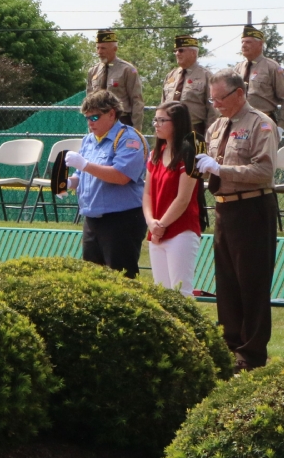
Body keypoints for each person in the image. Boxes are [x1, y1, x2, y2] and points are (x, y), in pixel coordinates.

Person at [195, 69, 278, 370]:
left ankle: (251, 354)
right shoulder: (217, 126)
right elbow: (211, 165)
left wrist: (221, 170)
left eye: (220, 98)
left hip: (252, 209)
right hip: (224, 209)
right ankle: (230, 347)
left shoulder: (260, 124)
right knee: (227, 283)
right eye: (211, 99)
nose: (215, 104)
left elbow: (264, 172)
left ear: (239, 94)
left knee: (252, 284)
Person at [65, 89, 148, 278]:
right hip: (92, 218)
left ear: (111, 113)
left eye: (94, 117)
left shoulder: (129, 139)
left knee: (121, 278)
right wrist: (69, 182)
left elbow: (121, 176)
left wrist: (85, 165)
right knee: (92, 279)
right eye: (87, 118)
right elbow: (81, 174)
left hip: (121, 219)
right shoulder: (89, 140)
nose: (90, 123)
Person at [144, 101, 202, 295]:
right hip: (157, 232)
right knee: (162, 293)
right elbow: (147, 194)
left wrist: (161, 226)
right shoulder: (155, 154)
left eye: (162, 120)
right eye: (155, 120)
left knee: (180, 292)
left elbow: (183, 199)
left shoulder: (189, 153)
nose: (156, 125)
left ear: (177, 123)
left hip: (181, 230)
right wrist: (152, 223)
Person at [86, 30, 145, 127]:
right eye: (98, 48)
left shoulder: (127, 70)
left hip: (120, 121)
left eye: (103, 48)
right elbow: (89, 102)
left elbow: (137, 101)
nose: (99, 52)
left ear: (115, 49)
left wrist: (136, 130)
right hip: (98, 121)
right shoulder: (93, 71)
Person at [233, 24, 284, 133]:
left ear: (260, 44)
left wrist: (281, 125)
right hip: (240, 122)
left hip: (264, 122)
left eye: (248, 42)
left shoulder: (272, 67)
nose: (244, 45)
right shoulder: (238, 68)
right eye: (242, 42)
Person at [161, 34, 213, 136]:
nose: (177, 54)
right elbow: (162, 104)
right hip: (170, 128)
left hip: (194, 130)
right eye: (175, 51)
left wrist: (209, 135)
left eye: (181, 50)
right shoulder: (171, 76)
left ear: (193, 53)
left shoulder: (206, 76)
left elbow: (213, 110)